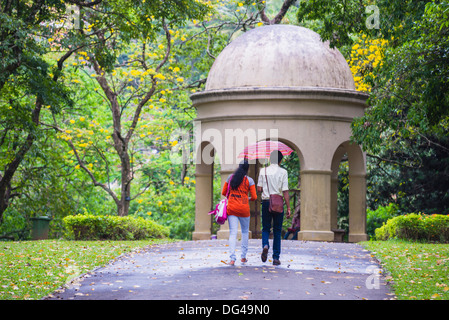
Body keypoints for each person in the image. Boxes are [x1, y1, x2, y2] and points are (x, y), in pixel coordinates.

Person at [257, 150, 291, 266]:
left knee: (266, 228)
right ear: (280, 160)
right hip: (278, 203)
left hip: (266, 202)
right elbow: (285, 191)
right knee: (277, 230)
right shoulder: (283, 172)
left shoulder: (263, 170)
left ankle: (265, 245)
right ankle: (276, 258)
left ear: (270, 159)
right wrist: (289, 208)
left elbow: (259, 189)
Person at [222, 160, 257, 266]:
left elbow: (224, 192)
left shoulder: (230, 178)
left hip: (232, 208)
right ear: (248, 169)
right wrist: (247, 198)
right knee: (245, 232)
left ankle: (232, 259)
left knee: (233, 233)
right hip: (244, 209)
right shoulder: (249, 181)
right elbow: (255, 197)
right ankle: (243, 257)